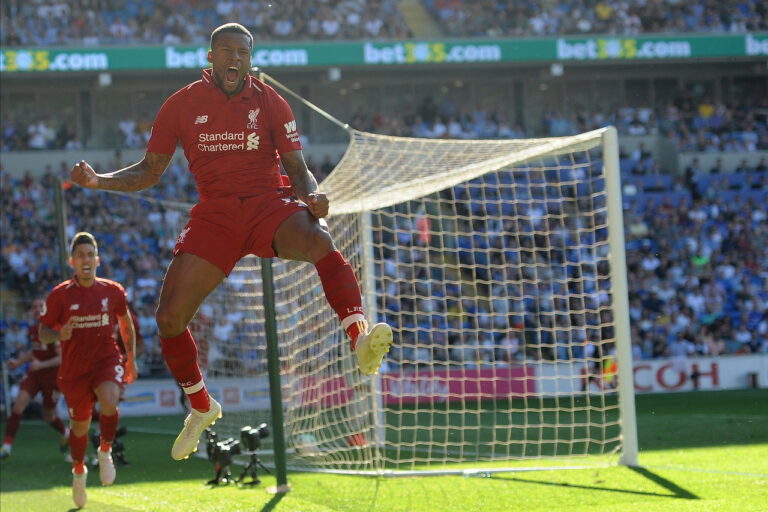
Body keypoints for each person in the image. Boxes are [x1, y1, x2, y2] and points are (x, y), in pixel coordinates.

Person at [69, 22, 393, 463]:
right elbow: (149, 171)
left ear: (250, 58)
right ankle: (201, 406)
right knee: (168, 318)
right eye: (226, 50)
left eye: (242, 51)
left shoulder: (270, 101)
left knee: (318, 240)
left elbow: (298, 170)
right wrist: (99, 181)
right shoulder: (180, 105)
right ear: (210, 57)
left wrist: (311, 195)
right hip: (216, 215)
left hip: (267, 204)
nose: (234, 58)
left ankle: (358, 336)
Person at [38, 232, 137, 508]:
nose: (85, 260)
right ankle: (79, 472)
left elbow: (125, 322)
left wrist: (132, 359)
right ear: (72, 261)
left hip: (106, 359)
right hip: (74, 370)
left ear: (98, 260)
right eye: (80, 255)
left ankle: (105, 451)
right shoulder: (60, 296)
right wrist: (59, 335)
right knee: (79, 426)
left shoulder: (112, 291)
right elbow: (43, 332)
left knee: (109, 398)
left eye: (89, 255)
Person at [0, 299, 69, 460]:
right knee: (18, 406)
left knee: (49, 417)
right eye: (34, 306)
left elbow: (62, 358)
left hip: (52, 378)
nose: (37, 309)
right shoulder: (33, 329)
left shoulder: (54, 328)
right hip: (35, 375)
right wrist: (18, 362)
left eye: (40, 306)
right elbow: (34, 351)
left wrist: (41, 364)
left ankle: (66, 432)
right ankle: (7, 447)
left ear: (46, 309)